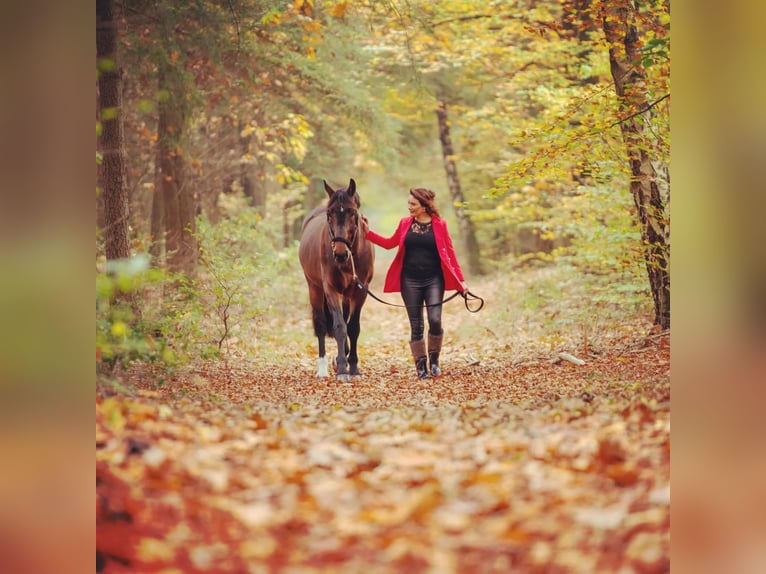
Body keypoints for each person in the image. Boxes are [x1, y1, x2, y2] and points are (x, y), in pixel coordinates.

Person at [362, 187, 468, 379]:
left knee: (435, 320)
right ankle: (421, 366)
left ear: (424, 205)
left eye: (413, 204)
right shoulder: (404, 223)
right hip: (410, 280)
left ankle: (434, 361)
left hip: (434, 279)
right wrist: (368, 233)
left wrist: (461, 281)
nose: (409, 207)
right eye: (409, 203)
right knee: (416, 324)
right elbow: (389, 243)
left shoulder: (440, 225)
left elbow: (450, 254)